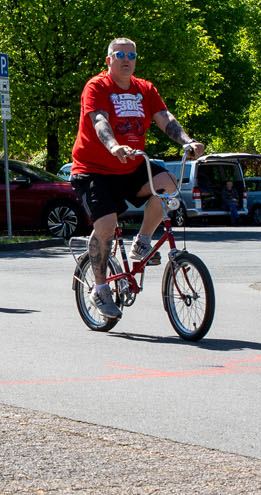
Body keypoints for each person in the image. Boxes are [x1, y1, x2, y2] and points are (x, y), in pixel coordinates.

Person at [69, 38, 205, 320]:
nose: (126, 59)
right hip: (94, 169)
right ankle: (100, 287)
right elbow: (100, 121)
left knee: (168, 184)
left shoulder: (145, 89)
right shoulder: (97, 86)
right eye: (120, 54)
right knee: (105, 227)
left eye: (131, 55)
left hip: (130, 165)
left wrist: (187, 142)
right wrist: (113, 146)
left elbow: (165, 118)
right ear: (109, 60)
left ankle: (142, 241)